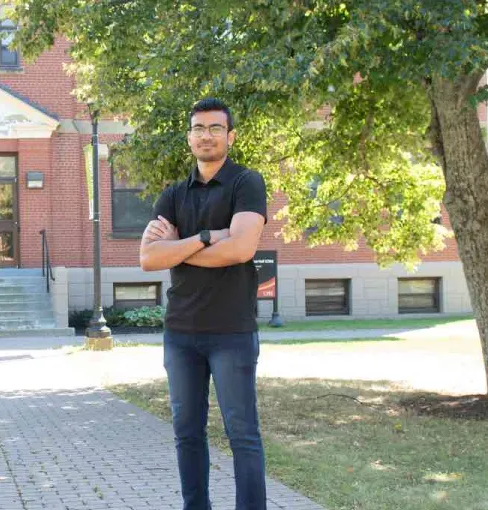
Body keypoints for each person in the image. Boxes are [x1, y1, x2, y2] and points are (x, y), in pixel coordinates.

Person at [138, 97, 269, 510]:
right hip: (180, 334)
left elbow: (242, 249)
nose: (206, 135)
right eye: (198, 128)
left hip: (231, 330)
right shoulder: (173, 194)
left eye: (215, 128)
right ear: (189, 137)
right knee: (187, 433)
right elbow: (147, 259)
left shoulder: (246, 183)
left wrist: (176, 247)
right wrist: (208, 237)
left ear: (229, 136)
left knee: (242, 434)